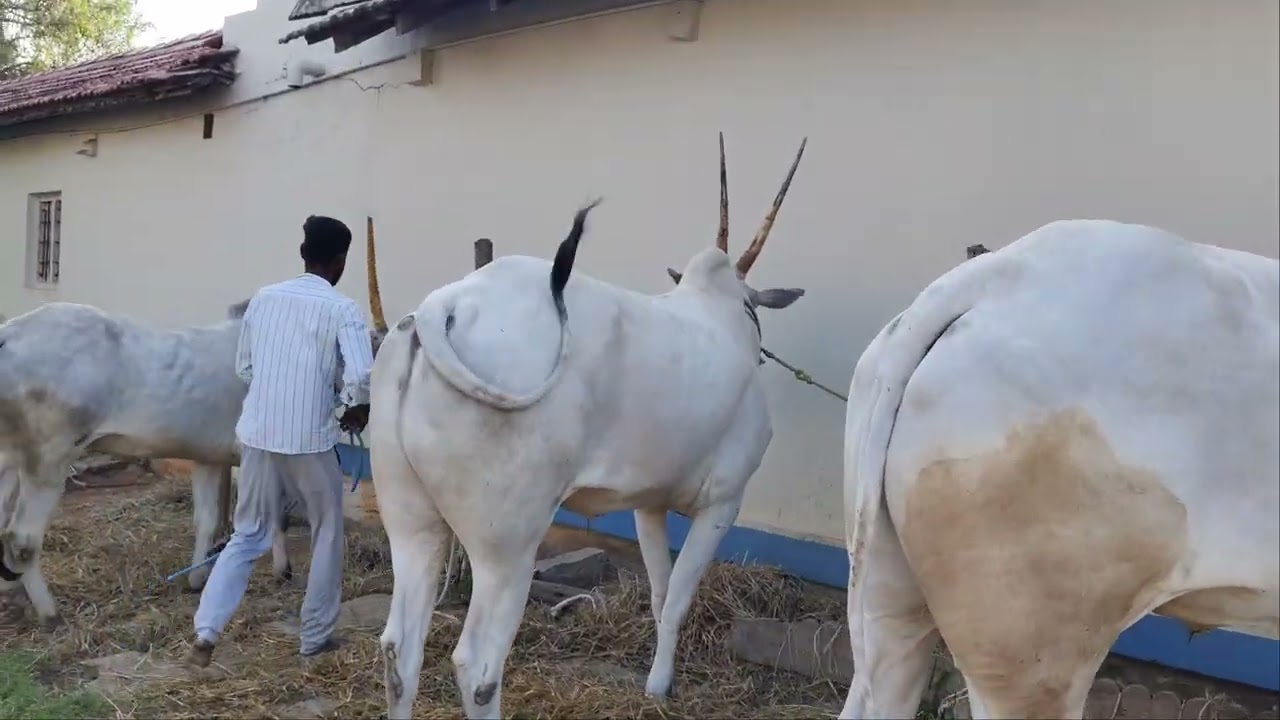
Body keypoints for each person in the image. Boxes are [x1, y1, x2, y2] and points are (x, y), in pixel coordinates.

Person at [187, 214, 374, 667]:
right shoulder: (342, 308)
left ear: (303, 254)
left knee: (247, 534)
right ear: (340, 260)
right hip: (309, 441)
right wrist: (348, 406)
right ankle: (314, 638)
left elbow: (245, 369)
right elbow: (364, 375)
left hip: (257, 434)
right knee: (327, 531)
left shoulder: (264, 299)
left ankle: (206, 632)